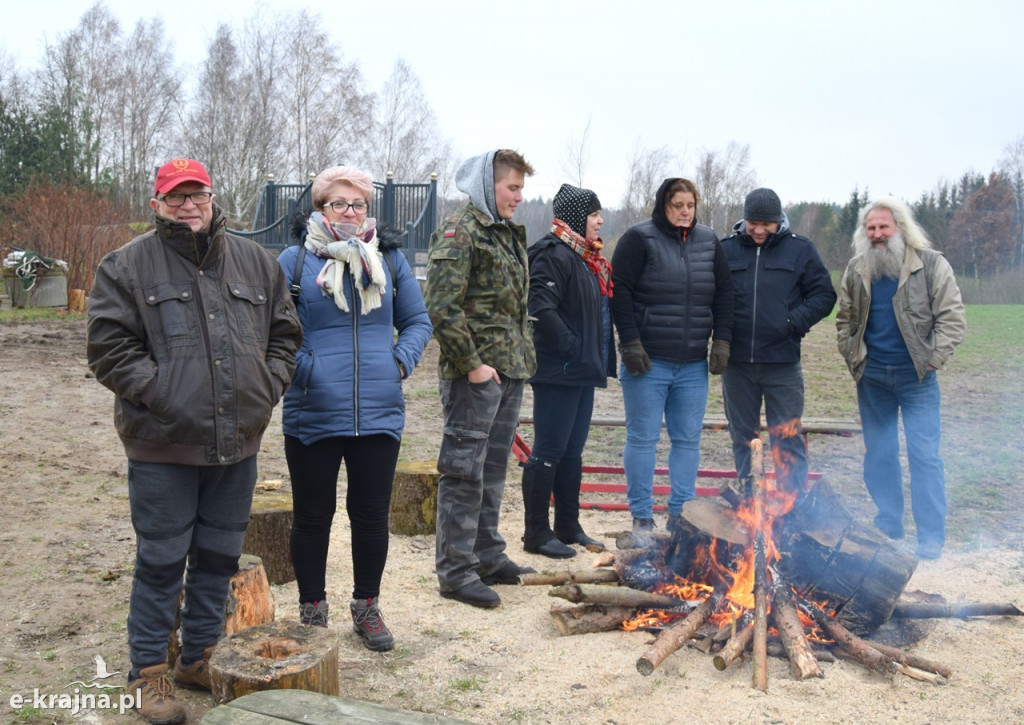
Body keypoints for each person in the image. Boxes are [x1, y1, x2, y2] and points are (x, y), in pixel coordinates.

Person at [87, 158, 302, 724]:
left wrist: (266, 389)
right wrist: (161, 395)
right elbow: (109, 349)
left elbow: (285, 336)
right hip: (163, 445)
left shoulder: (257, 263)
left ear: (211, 197)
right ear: (156, 204)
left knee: (218, 557)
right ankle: (148, 673)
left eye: (197, 194)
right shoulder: (127, 267)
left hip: (239, 442)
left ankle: (199, 654)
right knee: (160, 560)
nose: (188, 205)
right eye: (175, 196)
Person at [277, 166, 432, 650]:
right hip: (313, 411)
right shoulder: (294, 260)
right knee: (312, 516)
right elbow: (275, 333)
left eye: (359, 204)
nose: (350, 212)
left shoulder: (389, 259)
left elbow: (417, 322)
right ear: (320, 208)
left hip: (378, 413)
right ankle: (312, 611)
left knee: (370, 516)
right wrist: (308, 372)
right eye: (339, 204)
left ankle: (366, 606)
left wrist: (398, 365)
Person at [424, 149, 538, 608]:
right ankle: (455, 571)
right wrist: (473, 365)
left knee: (493, 468)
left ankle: (487, 554)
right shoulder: (461, 231)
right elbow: (441, 306)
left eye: (521, 188)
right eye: (512, 187)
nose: (518, 196)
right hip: (474, 376)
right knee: (463, 471)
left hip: (507, 370)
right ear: (486, 186)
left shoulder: (506, 233)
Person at [836, 197, 966, 560]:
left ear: (900, 228)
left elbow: (953, 319)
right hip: (873, 377)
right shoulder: (857, 268)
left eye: (883, 227)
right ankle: (889, 527)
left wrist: (931, 361)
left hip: (917, 379)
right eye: (871, 228)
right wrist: (854, 358)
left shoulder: (931, 264)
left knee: (924, 457)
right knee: (879, 454)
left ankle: (930, 539)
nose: (877, 234)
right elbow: (844, 319)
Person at [610, 178, 734, 538]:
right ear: (663, 206)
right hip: (648, 363)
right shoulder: (639, 239)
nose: (684, 211)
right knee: (643, 438)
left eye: (690, 205)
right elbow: (620, 293)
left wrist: (721, 340)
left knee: (687, 440)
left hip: (693, 364)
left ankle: (682, 515)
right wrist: (630, 343)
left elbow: (725, 294)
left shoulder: (709, 242)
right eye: (677, 204)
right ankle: (641, 518)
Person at [720, 188, 836, 497]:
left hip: (782, 364)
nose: (758, 230)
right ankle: (749, 504)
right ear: (744, 219)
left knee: (787, 438)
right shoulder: (726, 250)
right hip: (737, 365)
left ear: (778, 221)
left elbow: (825, 295)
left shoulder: (800, 250)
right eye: (753, 223)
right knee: (743, 438)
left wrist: (793, 322)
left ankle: (792, 509)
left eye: (766, 224)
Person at [521, 183, 616, 559]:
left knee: (572, 452)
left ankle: (567, 525)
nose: (600, 221)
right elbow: (541, 308)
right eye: (595, 215)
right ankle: (536, 533)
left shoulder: (584, 258)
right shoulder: (552, 255)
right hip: (558, 371)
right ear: (579, 217)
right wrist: (572, 348)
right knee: (547, 450)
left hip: (581, 371)